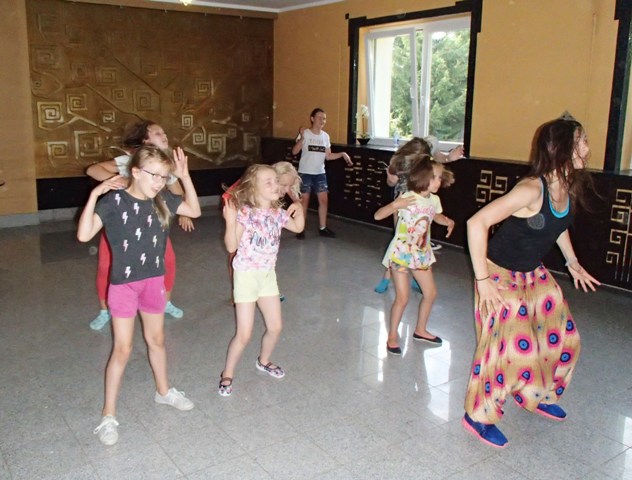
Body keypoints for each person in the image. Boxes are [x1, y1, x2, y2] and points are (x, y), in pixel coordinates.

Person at [462, 118, 600, 448]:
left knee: (564, 337)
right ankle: (478, 416)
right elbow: (476, 223)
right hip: (498, 273)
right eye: (581, 141)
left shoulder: (566, 184)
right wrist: (483, 280)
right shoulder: (531, 189)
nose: (587, 147)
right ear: (562, 149)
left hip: (531, 273)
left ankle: (536, 393)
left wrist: (572, 262)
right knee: (504, 349)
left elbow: (557, 225)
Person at [77, 145, 201, 446]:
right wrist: (95, 194)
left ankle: (164, 392)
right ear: (135, 171)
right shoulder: (114, 201)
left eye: (164, 176)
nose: (159, 182)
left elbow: (195, 211)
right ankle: (108, 415)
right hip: (124, 285)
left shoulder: (163, 200)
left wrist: (184, 177)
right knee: (122, 349)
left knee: (156, 340)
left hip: (153, 281)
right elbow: (83, 235)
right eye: (153, 175)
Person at [86, 121, 193, 330]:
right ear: (145, 140)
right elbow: (93, 170)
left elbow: (177, 192)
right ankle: (105, 310)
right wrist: (123, 182)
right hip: (123, 223)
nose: (164, 134)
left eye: (164, 131)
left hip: (153, 224)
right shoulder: (130, 161)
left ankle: (164, 302)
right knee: (107, 266)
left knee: (168, 261)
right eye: (158, 132)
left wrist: (184, 213)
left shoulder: (166, 164)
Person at [219, 164, 305, 396]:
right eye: (268, 182)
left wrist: (299, 207)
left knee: (275, 327)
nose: (275, 185)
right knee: (244, 334)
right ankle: (227, 373)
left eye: (275, 181)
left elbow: (298, 227)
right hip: (246, 277)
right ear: (253, 188)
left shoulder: (277, 213)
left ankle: (264, 361)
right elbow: (231, 246)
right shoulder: (245, 213)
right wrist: (230, 222)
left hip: (267, 276)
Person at [374, 156, 455, 355]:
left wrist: (447, 221)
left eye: (440, 178)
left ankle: (420, 330)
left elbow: (434, 215)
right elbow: (378, 215)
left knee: (431, 293)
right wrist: (396, 205)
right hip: (401, 254)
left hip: (421, 255)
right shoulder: (408, 197)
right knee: (402, 298)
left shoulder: (434, 200)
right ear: (424, 177)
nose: (439, 181)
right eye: (436, 177)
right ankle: (392, 335)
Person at [374, 136, 464, 294]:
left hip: (422, 203)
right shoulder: (400, 160)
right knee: (400, 240)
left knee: (420, 240)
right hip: (404, 202)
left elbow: (438, 162)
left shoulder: (427, 158)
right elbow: (391, 182)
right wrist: (390, 178)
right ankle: (387, 276)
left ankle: (417, 276)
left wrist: (449, 158)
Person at [223, 161, 302, 303]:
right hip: (234, 203)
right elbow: (232, 197)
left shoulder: (273, 187)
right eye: (284, 185)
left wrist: (297, 203)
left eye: (289, 186)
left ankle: (265, 288)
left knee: (261, 252)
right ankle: (237, 291)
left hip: (259, 209)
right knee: (236, 254)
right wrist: (232, 220)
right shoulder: (257, 183)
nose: (286, 190)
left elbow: (293, 200)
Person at [291, 108, 353, 239]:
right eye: (319, 118)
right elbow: (295, 151)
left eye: (324, 118)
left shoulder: (325, 136)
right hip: (305, 173)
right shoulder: (305, 133)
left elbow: (328, 156)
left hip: (320, 173)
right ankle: (300, 228)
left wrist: (342, 154)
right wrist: (302, 138)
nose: (322, 121)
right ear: (312, 118)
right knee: (304, 201)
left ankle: (323, 228)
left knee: (324, 201)